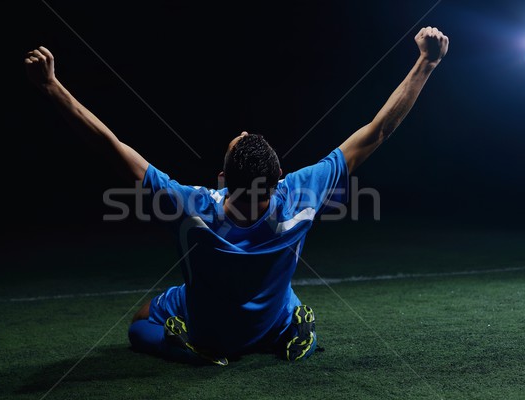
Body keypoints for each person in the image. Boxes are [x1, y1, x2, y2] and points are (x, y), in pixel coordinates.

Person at [25, 26, 449, 366]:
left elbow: (110, 146)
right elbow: (378, 131)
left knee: (140, 323)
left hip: (213, 332)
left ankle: (187, 348)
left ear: (222, 178)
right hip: (269, 320)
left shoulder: (191, 206)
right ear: (279, 175)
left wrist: (50, 87)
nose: (244, 132)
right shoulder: (301, 193)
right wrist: (426, 63)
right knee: (286, 295)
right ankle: (297, 333)